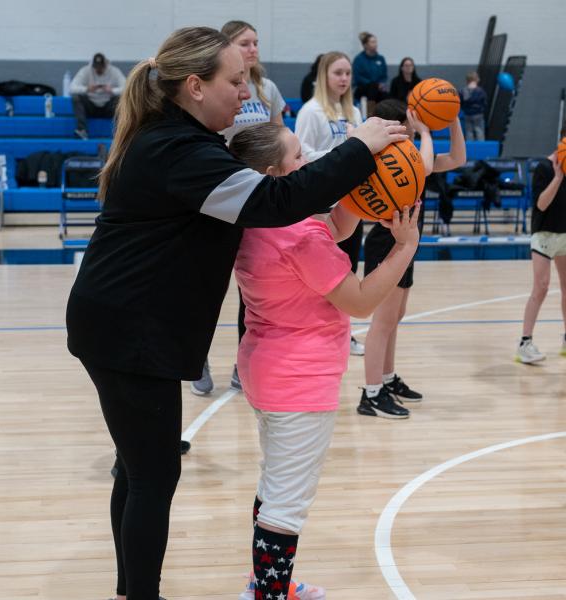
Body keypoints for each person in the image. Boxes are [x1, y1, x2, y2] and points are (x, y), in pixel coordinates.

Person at [65, 26, 408, 600]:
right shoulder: (181, 152)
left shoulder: (179, 141)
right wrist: (361, 148)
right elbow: (278, 199)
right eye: (234, 80)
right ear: (194, 87)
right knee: (153, 475)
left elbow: (293, 204)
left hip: (122, 321)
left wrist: (352, 187)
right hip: (128, 329)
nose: (245, 92)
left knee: (137, 468)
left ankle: (131, 590)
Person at [230, 122, 421, 600]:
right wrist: (404, 247)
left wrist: (356, 198)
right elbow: (358, 301)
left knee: (275, 484)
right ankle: (268, 594)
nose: (311, 163)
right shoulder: (299, 238)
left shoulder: (261, 219)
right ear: (274, 174)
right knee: (287, 503)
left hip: (267, 368)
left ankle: (266, 582)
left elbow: (335, 225)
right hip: (300, 379)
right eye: (298, 156)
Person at [191, 19, 287, 396]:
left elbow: (281, 140)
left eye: (256, 43)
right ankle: (195, 358)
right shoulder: (217, 95)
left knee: (255, 291)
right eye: (245, 43)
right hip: (221, 194)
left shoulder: (267, 89)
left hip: (258, 197)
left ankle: (242, 363)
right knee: (206, 287)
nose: (253, 50)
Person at [359, 99, 466, 418]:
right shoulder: (386, 157)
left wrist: (453, 118)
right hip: (386, 241)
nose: (411, 133)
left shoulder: (409, 156)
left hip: (406, 240)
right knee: (382, 322)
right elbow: (427, 166)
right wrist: (425, 131)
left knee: (396, 316)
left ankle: (387, 379)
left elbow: (458, 159)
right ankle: (371, 393)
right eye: (408, 128)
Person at [295, 51, 365, 355]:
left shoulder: (354, 112)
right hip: (321, 205)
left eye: (348, 73)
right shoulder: (311, 111)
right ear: (324, 75)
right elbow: (301, 157)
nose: (344, 79)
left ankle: (343, 332)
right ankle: (313, 331)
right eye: (338, 73)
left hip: (351, 202)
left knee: (347, 270)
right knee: (320, 274)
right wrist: (342, 157)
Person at [516, 134, 566, 363]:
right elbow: (541, 204)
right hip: (544, 234)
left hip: (564, 235)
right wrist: (558, 177)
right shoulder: (543, 168)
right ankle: (525, 343)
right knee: (541, 287)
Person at [69, 52, 126, 140]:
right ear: (93, 65)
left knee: (120, 99)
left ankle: (120, 131)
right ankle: (82, 130)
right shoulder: (85, 71)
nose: (98, 70)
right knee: (76, 97)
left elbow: (127, 88)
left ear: (106, 65)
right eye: (96, 67)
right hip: (90, 106)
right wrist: (87, 89)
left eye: (101, 67)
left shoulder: (114, 71)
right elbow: (72, 88)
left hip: (108, 107)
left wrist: (112, 91)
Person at [352, 32, 388, 104]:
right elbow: (357, 77)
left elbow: (384, 75)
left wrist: (381, 84)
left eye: (375, 42)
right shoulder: (359, 59)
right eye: (372, 42)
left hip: (378, 88)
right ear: (365, 45)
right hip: (362, 88)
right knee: (372, 87)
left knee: (386, 95)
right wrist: (372, 84)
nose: (375, 44)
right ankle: (370, 110)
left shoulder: (381, 59)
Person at [459, 72, 487, 141]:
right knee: (479, 130)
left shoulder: (462, 91)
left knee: (469, 131)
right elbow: (484, 102)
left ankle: (470, 147)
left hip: (467, 113)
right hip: (478, 114)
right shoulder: (480, 91)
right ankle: (481, 147)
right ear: (477, 79)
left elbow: (460, 102)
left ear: (467, 80)